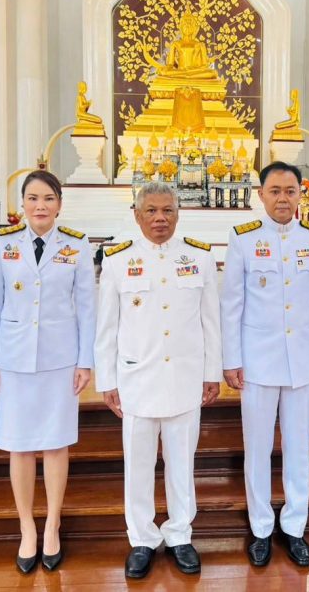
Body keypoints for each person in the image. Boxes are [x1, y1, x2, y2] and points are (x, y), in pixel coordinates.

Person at [94, 182, 222, 580]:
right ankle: (142, 538)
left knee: (182, 462)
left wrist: (212, 372)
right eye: (151, 211)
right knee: (138, 464)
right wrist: (107, 379)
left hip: (185, 378)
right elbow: (106, 327)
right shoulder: (118, 260)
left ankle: (180, 533)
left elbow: (211, 322)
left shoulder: (198, 257)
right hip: (137, 379)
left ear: (179, 214)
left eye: (167, 210)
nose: (160, 218)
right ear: (137, 215)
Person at [0, 170, 95, 574]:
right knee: (20, 445)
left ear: (59, 203)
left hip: (60, 359)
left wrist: (85, 361)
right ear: (22, 204)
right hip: (13, 358)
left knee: (56, 443)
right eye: (32, 198)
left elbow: (88, 307)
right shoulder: (4, 243)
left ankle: (53, 523)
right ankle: (27, 526)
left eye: (48, 198)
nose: (40, 206)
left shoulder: (76, 244)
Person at [221, 161, 309, 567]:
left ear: (300, 194)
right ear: (261, 195)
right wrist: (231, 359)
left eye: (290, 190)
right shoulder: (243, 239)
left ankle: (294, 526)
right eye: (275, 190)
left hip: (303, 361)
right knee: (257, 448)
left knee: (298, 447)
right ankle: (260, 528)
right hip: (257, 362)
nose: (283, 198)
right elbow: (231, 304)